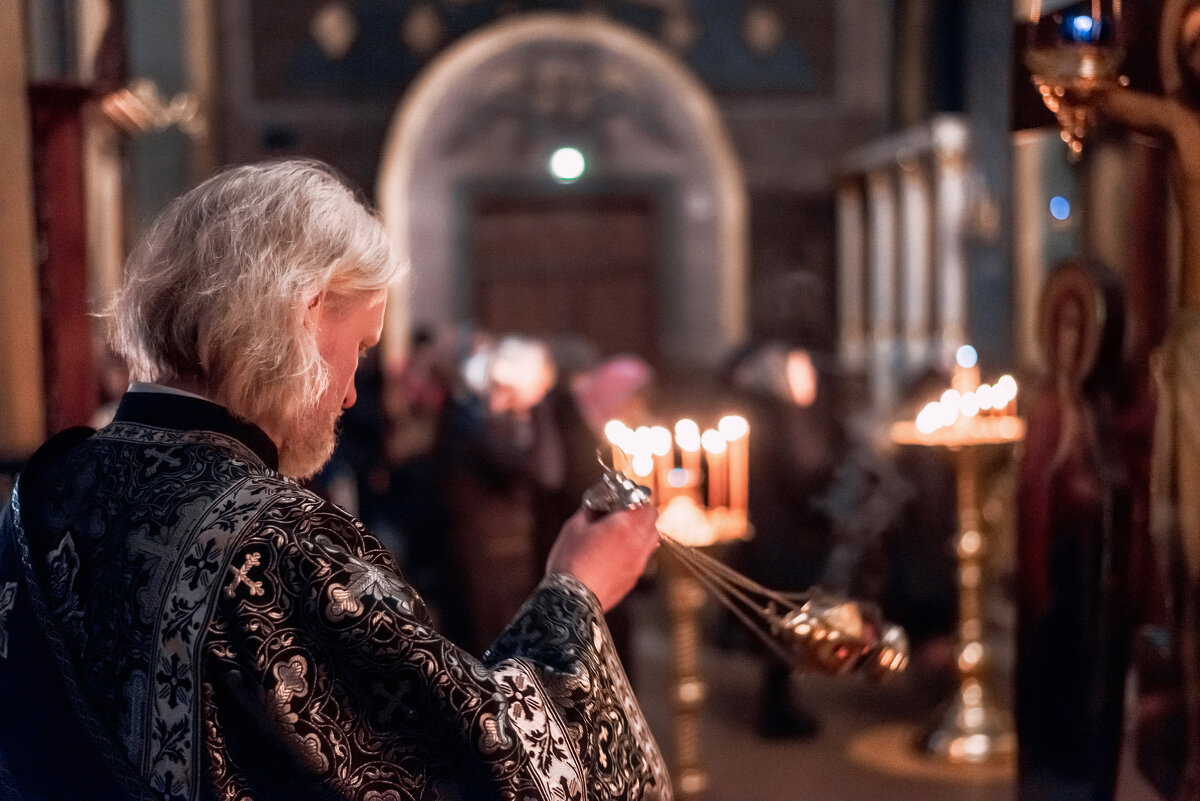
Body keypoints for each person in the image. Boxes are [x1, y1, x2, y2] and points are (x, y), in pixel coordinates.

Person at [0, 160, 670, 801]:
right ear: (304, 312)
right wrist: (576, 591)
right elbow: (498, 771)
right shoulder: (275, 543)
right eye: (361, 346)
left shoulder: (50, 486)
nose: (352, 392)